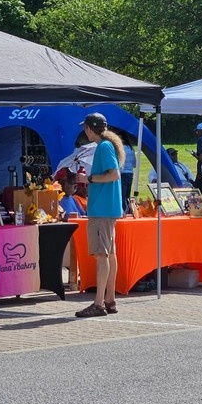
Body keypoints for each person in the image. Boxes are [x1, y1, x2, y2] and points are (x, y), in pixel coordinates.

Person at [74, 112, 124, 317]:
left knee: (101, 255)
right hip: (108, 209)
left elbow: (113, 174)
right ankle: (110, 300)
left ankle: (98, 303)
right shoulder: (108, 145)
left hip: (101, 210)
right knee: (110, 254)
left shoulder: (103, 147)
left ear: (88, 128)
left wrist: (89, 180)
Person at [120, 133, 136, 209]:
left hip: (123, 172)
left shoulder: (121, 149)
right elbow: (134, 164)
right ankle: (129, 209)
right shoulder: (131, 148)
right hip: (130, 172)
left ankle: (124, 209)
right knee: (127, 194)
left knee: (122, 194)